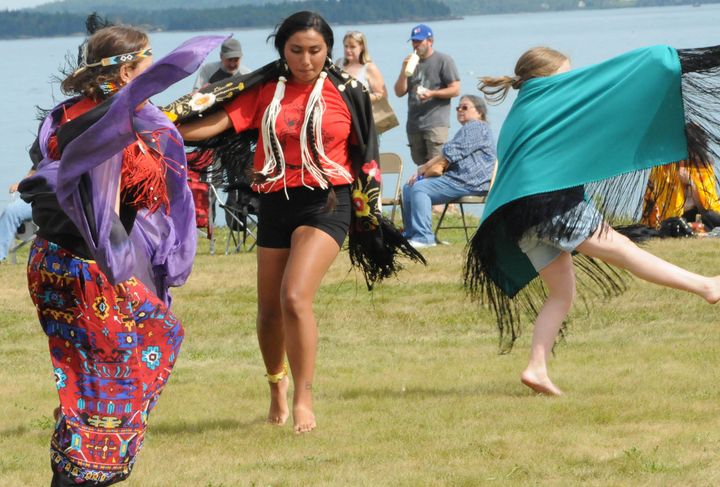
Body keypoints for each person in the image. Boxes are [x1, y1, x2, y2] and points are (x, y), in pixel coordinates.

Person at [173, 11, 423, 434]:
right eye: (296, 51)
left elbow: (368, 148)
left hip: (327, 201)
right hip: (274, 201)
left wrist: (370, 213)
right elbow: (219, 120)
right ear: (281, 50)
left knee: (293, 296)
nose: (306, 59)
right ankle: (277, 388)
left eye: (315, 51)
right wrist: (164, 127)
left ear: (328, 50)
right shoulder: (266, 90)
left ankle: (305, 398)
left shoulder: (350, 91)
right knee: (269, 311)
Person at [19, 17, 222, 485]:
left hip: (55, 262)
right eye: (149, 58)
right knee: (121, 374)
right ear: (130, 70)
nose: (154, 66)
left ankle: (76, 446)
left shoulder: (68, 114)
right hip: (84, 270)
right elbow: (92, 199)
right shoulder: (107, 125)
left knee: (124, 359)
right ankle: (81, 468)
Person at [466, 45, 720, 397]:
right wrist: (661, 59)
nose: (573, 81)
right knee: (626, 252)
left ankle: (536, 368)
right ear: (548, 79)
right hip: (550, 205)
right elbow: (611, 83)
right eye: (567, 75)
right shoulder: (550, 99)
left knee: (562, 294)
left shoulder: (525, 109)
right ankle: (707, 286)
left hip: (522, 216)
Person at [401, 94, 495, 248]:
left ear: (479, 112)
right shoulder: (470, 129)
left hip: (470, 181)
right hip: (461, 179)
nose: (460, 110)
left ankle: (424, 238)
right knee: (409, 187)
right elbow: (451, 153)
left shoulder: (476, 126)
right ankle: (411, 235)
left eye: (465, 107)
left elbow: (451, 151)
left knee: (420, 188)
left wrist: (423, 168)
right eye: (458, 108)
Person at [393, 23, 460, 166]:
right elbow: (399, 92)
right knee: (421, 165)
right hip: (414, 124)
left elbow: (455, 89)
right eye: (414, 41)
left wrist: (432, 93)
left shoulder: (443, 60)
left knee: (435, 166)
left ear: (430, 41)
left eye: (419, 41)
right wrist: (404, 70)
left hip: (436, 122)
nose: (416, 45)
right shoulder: (411, 62)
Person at [337, 31, 387, 103]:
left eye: (352, 47)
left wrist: (361, 97)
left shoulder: (369, 68)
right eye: (346, 46)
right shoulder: (339, 63)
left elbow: (382, 95)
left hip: (361, 111)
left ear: (362, 47)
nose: (348, 50)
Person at [0, 176, 33, 262]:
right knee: (10, 211)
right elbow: (35, 172)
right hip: (35, 197)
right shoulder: (42, 163)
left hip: (58, 198)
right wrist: (21, 184)